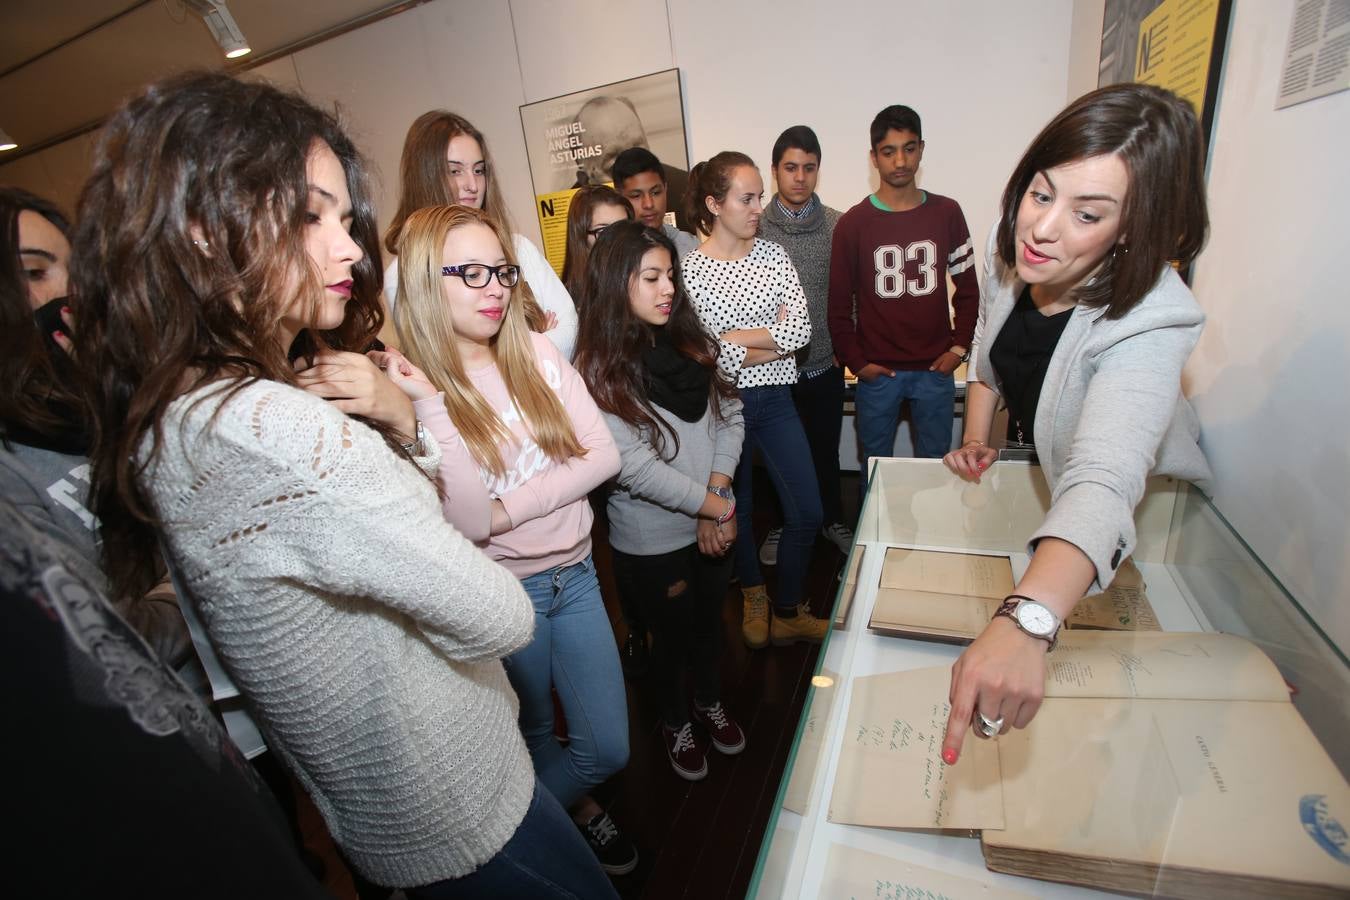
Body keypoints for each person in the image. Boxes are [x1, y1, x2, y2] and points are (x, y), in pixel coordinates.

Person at [73, 71, 617, 899]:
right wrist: (412, 423)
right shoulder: (285, 431)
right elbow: (498, 612)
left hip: (382, 812)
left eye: (341, 215)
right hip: (458, 804)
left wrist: (402, 431)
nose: (353, 248)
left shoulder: (181, 415)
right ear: (201, 233)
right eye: (309, 216)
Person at [939, 84, 1212, 763]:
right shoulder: (1018, 258)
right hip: (1050, 490)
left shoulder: (1154, 315)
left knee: (1127, 721)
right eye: (1040, 193)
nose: (1043, 227)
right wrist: (979, 437)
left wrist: (1026, 622)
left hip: (1141, 519)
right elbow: (988, 355)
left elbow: (1104, 478)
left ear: (1132, 229)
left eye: (1085, 213)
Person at [391, 204, 636, 876]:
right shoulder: (415, 389)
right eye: (471, 273)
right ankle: (552, 847)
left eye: (500, 271)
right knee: (527, 738)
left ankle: (502, 849)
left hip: (580, 576)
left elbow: (602, 456)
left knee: (605, 748)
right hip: (503, 595)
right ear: (423, 283)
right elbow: (468, 521)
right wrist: (430, 410)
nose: (496, 286)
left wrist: (509, 509)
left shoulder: (529, 347)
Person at [2, 496, 333, 900]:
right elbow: (113, 637)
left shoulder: (94, 443)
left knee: (278, 815)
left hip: (236, 694)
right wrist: (174, 593)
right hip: (172, 737)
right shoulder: (17, 486)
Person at [574, 220, 746, 780]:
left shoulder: (695, 341)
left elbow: (731, 416)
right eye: (651, 277)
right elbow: (637, 469)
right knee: (669, 642)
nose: (667, 288)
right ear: (616, 283)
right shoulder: (596, 372)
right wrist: (714, 507)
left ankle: (708, 701)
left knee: (709, 628)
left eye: (670, 275)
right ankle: (675, 720)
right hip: (653, 541)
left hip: (715, 518)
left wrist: (717, 496)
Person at [0, 188, 191, 667]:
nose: (71, 293)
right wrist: (196, 578)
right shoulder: (12, 473)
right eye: (33, 273)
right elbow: (112, 643)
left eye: (77, 270)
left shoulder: (108, 405)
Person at [682, 151, 829, 649]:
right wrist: (767, 338)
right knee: (735, 512)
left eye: (758, 197)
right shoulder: (692, 272)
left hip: (778, 401)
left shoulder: (774, 255)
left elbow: (802, 330)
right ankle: (753, 594)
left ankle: (788, 607)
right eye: (746, 199)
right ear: (714, 203)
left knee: (807, 510)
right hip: (725, 408)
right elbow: (709, 357)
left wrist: (738, 339)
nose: (756, 208)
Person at [827, 105, 978, 467]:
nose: (900, 161)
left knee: (937, 471)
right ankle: (876, 527)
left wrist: (959, 347)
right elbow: (837, 306)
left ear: (921, 149)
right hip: (878, 375)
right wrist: (858, 362)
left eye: (909, 148)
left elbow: (970, 289)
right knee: (875, 472)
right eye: (889, 151)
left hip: (935, 371)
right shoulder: (853, 224)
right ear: (874, 158)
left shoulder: (947, 213)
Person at [384, 110, 580, 359]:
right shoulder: (403, 272)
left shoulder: (519, 247)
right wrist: (539, 342)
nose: (472, 185)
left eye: (478, 170)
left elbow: (569, 325)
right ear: (426, 177)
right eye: (455, 171)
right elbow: (445, 366)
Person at [756, 126, 852, 567]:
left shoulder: (837, 224)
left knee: (824, 450)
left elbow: (851, 295)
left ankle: (831, 520)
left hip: (822, 366)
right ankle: (781, 523)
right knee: (777, 459)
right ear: (774, 170)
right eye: (790, 168)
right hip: (771, 370)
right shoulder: (753, 226)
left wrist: (844, 347)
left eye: (809, 168)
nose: (800, 177)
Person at [571, 96, 690, 225]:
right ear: (585, 181)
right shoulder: (573, 217)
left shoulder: (686, 190)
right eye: (614, 167)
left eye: (640, 156)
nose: (637, 183)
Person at [612, 147, 698, 258]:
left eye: (656, 192)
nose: (649, 204)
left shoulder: (690, 248)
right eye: (636, 196)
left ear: (665, 188)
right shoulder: (610, 255)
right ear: (619, 197)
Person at [561, 183, 633, 303]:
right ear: (581, 237)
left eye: (623, 228)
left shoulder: (640, 282)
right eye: (603, 231)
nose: (617, 239)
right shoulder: (566, 302)